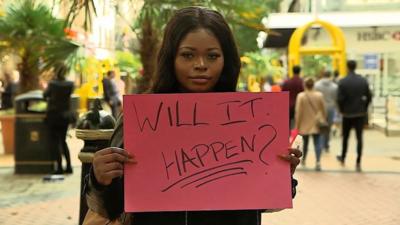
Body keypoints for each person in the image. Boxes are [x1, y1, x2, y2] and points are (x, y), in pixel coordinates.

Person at [85, 7, 302, 225]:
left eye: (212, 56)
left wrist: (280, 176)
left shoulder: (252, 119)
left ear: (226, 59)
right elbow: (111, 208)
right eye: (188, 55)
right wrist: (100, 179)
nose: (200, 65)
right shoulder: (140, 119)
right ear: (171, 58)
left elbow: (264, 203)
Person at [336, 60, 372, 172]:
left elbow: (339, 99)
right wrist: (364, 108)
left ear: (347, 67)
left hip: (347, 114)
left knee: (345, 137)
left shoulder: (343, 81)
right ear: (356, 67)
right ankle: (358, 161)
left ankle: (343, 157)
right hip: (360, 113)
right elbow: (369, 96)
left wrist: (342, 110)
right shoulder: (363, 80)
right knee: (359, 138)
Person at [43, 63, 74, 174]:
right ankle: (69, 166)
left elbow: (45, 95)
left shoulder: (52, 84)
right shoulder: (70, 84)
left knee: (55, 142)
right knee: (63, 141)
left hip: (53, 116)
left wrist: (52, 81)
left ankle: (59, 168)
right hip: (65, 117)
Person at [295, 78, 326, 171]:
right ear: (313, 85)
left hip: (304, 123)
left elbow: (298, 112)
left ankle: (304, 160)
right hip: (316, 123)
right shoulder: (319, 95)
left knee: (305, 143)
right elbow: (323, 109)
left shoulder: (301, 96)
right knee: (318, 143)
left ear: (305, 85)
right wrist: (324, 119)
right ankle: (318, 162)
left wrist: (297, 125)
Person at [315, 70, 338, 152]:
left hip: (320, 108)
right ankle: (326, 145)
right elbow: (336, 99)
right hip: (331, 108)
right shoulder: (335, 86)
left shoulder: (317, 85)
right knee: (328, 127)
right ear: (330, 75)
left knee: (320, 126)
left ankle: (320, 144)